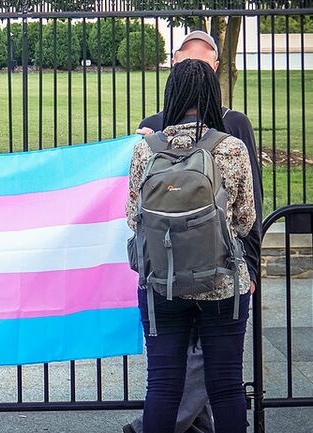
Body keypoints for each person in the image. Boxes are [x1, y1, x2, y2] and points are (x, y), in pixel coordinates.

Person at [124, 30, 263, 433]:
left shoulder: (146, 148)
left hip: (161, 280)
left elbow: (134, 216)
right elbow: (245, 218)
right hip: (220, 280)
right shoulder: (230, 146)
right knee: (226, 387)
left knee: (163, 385)